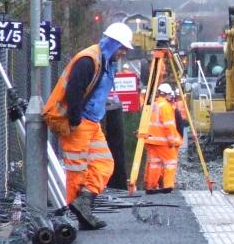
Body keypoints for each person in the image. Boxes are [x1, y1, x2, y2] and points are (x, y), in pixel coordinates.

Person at [43, 22, 133, 230]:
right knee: (77, 170)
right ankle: (78, 214)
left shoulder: (104, 61)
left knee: (105, 164)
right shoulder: (89, 60)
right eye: (122, 48)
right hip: (80, 122)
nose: (123, 53)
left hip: (92, 122)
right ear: (113, 44)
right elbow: (75, 89)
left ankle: (83, 204)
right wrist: (74, 118)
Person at [143, 83, 182, 194]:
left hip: (151, 140)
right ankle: (168, 185)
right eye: (169, 95)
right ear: (166, 94)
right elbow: (168, 125)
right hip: (163, 141)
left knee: (155, 163)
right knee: (170, 162)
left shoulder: (154, 105)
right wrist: (172, 141)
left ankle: (151, 186)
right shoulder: (165, 106)